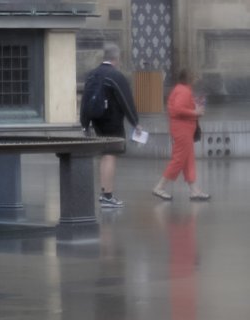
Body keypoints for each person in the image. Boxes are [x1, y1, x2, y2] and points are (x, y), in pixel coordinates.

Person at [80, 43, 142, 208]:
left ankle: (104, 193)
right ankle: (107, 195)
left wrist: (84, 124)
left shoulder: (92, 75)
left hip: (96, 120)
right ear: (117, 58)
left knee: (104, 155)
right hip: (112, 121)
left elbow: (85, 101)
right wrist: (135, 122)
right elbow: (125, 100)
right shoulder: (116, 76)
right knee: (110, 155)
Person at [153, 70, 210, 201]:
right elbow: (178, 109)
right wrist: (195, 112)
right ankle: (160, 187)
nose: (197, 80)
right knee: (178, 159)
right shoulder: (183, 91)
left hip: (183, 129)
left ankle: (194, 190)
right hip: (182, 130)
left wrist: (193, 108)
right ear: (189, 78)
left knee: (188, 160)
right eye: (195, 76)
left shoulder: (181, 89)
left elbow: (177, 108)